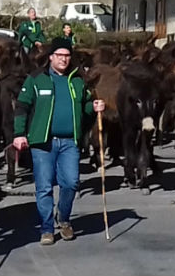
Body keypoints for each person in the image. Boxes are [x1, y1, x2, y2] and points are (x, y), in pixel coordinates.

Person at [13, 37, 105, 245]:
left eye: (67, 55)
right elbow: (21, 107)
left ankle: (63, 218)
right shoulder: (37, 78)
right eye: (59, 55)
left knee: (71, 182)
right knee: (44, 187)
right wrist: (19, 133)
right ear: (51, 57)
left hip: (70, 142)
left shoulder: (78, 80)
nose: (64, 59)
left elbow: (86, 109)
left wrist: (95, 107)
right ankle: (46, 228)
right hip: (42, 142)